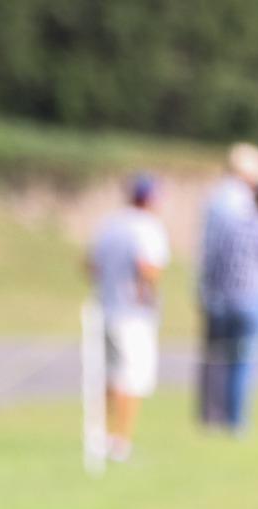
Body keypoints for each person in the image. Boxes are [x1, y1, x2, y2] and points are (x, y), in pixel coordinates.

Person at [197, 144, 258, 434]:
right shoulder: (244, 206)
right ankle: (233, 421)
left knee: (216, 357)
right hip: (247, 294)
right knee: (240, 361)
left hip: (219, 291)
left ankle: (211, 417)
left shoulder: (216, 197)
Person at [85, 173, 170, 465]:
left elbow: (91, 266)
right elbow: (148, 268)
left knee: (109, 376)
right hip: (133, 312)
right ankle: (121, 441)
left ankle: (102, 436)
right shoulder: (148, 228)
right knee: (131, 379)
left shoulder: (110, 223)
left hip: (104, 308)